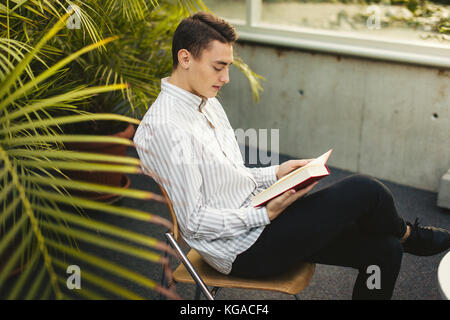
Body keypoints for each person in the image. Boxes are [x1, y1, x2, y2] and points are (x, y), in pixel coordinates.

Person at [133, 11, 450, 300]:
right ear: (185, 58)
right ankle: (410, 235)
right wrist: (266, 214)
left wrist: (278, 173)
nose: (226, 78)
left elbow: (228, 175)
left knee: (385, 250)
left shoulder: (206, 100)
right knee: (366, 190)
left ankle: (401, 238)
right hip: (243, 250)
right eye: (219, 67)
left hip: (257, 220)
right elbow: (195, 221)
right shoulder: (165, 128)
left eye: (228, 66)